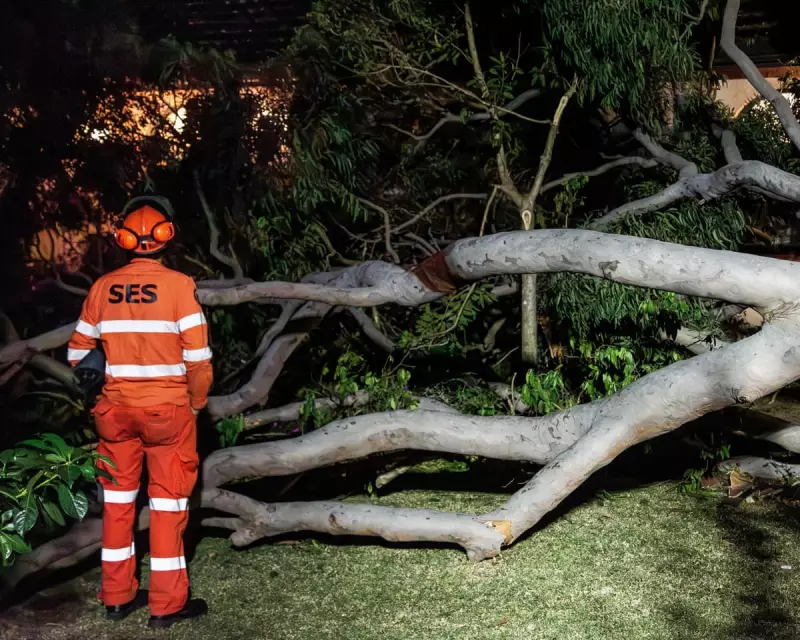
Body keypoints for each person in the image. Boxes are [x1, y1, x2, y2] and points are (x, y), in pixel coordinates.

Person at [67, 196, 213, 629]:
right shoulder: (179, 286)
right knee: (167, 509)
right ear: (167, 236)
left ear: (125, 240)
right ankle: (166, 606)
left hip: (114, 414)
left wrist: (100, 397)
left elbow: (78, 354)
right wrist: (197, 404)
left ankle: (117, 595)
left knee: (116, 504)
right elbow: (199, 361)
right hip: (168, 413)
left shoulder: (101, 288)